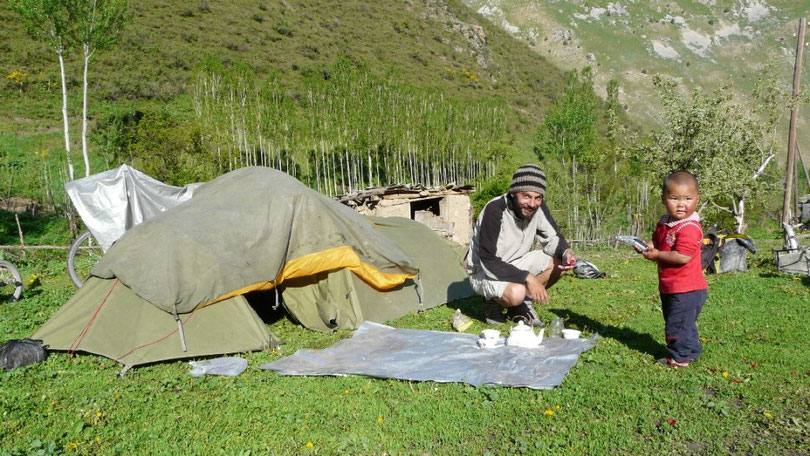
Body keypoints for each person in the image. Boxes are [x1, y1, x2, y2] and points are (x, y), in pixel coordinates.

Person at [466, 163, 576, 326]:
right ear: (513, 193)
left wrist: (566, 252)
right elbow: (488, 261)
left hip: (514, 263)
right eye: (526, 196)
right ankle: (493, 303)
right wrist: (528, 278)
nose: (532, 203)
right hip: (484, 271)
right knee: (517, 292)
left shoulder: (538, 209)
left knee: (558, 263)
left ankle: (520, 307)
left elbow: (553, 238)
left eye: (537, 198)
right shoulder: (494, 210)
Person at [639, 170, 708, 368]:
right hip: (672, 286)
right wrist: (649, 245)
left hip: (687, 288)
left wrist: (657, 255)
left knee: (677, 324)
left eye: (687, 198)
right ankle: (691, 351)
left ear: (697, 199)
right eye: (674, 198)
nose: (681, 204)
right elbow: (658, 239)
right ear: (663, 199)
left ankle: (679, 359)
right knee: (683, 322)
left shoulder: (689, 227)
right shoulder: (666, 222)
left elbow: (682, 256)